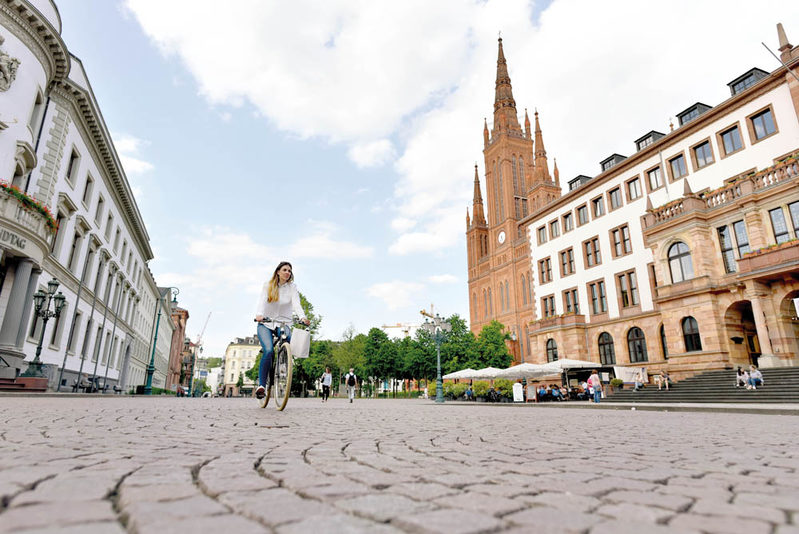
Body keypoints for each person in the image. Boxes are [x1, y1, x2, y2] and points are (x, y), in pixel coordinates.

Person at [254, 261, 309, 399]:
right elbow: (261, 301)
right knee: (268, 350)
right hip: (266, 323)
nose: (287, 273)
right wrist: (259, 315)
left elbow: (297, 304)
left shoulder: (292, 287)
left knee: (289, 340)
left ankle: (283, 364)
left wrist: (302, 317)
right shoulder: (268, 285)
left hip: (283, 323)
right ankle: (262, 386)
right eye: (285, 270)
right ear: (278, 271)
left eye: (289, 271)